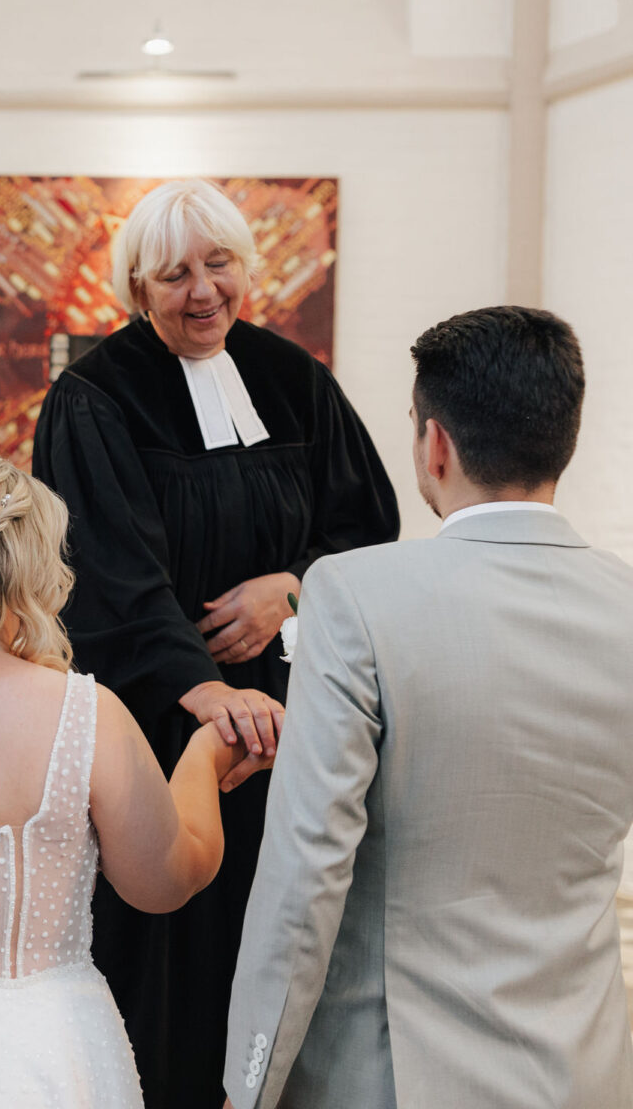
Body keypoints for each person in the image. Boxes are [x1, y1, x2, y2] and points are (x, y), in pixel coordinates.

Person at [32, 178, 399, 1108]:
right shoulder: (95, 397)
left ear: (247, 266)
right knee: (174, 953)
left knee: (284, 931)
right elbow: (104, 570)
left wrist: (291, 587)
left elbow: (368, 525)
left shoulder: (293, 379)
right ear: (136, 288)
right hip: (164, 726)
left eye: (220, 264)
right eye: (174, 275)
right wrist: (206, 694)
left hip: (293, 720)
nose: (203, 291)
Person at [224, 306, 633, 1109]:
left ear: (434, 443)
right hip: (587, 1072)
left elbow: (307, 868)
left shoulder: (355, 593)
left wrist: (250, 1078)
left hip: (392, 1076)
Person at [0, 444, 256, 1109]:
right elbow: (166, 881)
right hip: (30, 1061)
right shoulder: (79, 713)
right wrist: (206, 756)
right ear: (26, 566)